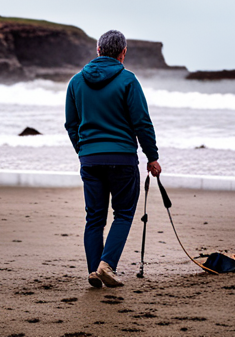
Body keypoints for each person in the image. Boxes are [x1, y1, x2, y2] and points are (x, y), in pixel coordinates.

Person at [64, 30, 162, 288]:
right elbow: (142, 122)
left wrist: (83, 151)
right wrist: (152, 157)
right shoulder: (128, 80)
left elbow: (71, 124)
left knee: (94, 218)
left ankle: (94, 271)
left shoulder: (75, 82)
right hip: (122, 159)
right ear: (123, 52)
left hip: (90, 160)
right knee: (124, 214)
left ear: (98, 50)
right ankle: (107, 265)